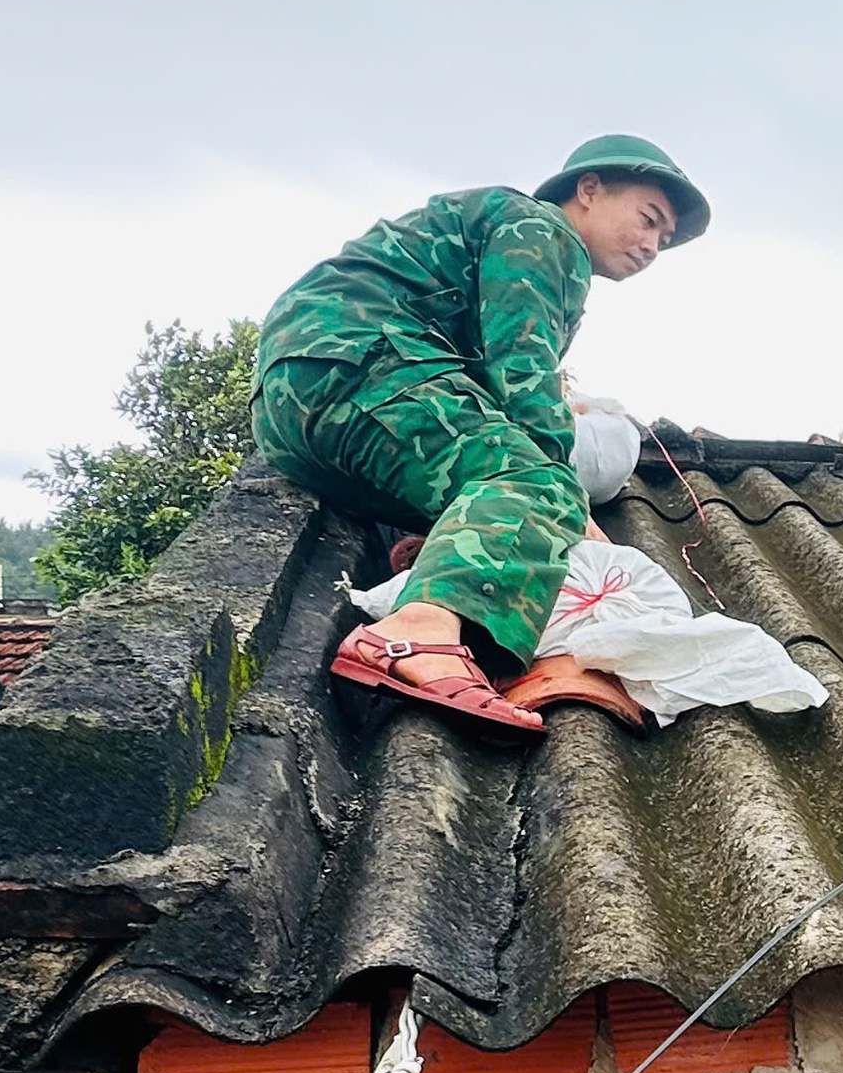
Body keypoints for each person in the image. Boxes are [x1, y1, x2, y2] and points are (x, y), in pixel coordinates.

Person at [251, 135, 710, 734]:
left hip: (300, 406)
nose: (652, 246)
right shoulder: (541, 232)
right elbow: (521, 379)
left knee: (497, 485)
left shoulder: (510, 233)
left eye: (664, 241)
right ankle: (417, 633)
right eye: (649, 221)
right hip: (365, 366)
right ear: (590, 190)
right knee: (534, 481)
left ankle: (443, 562)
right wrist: (569, 509)